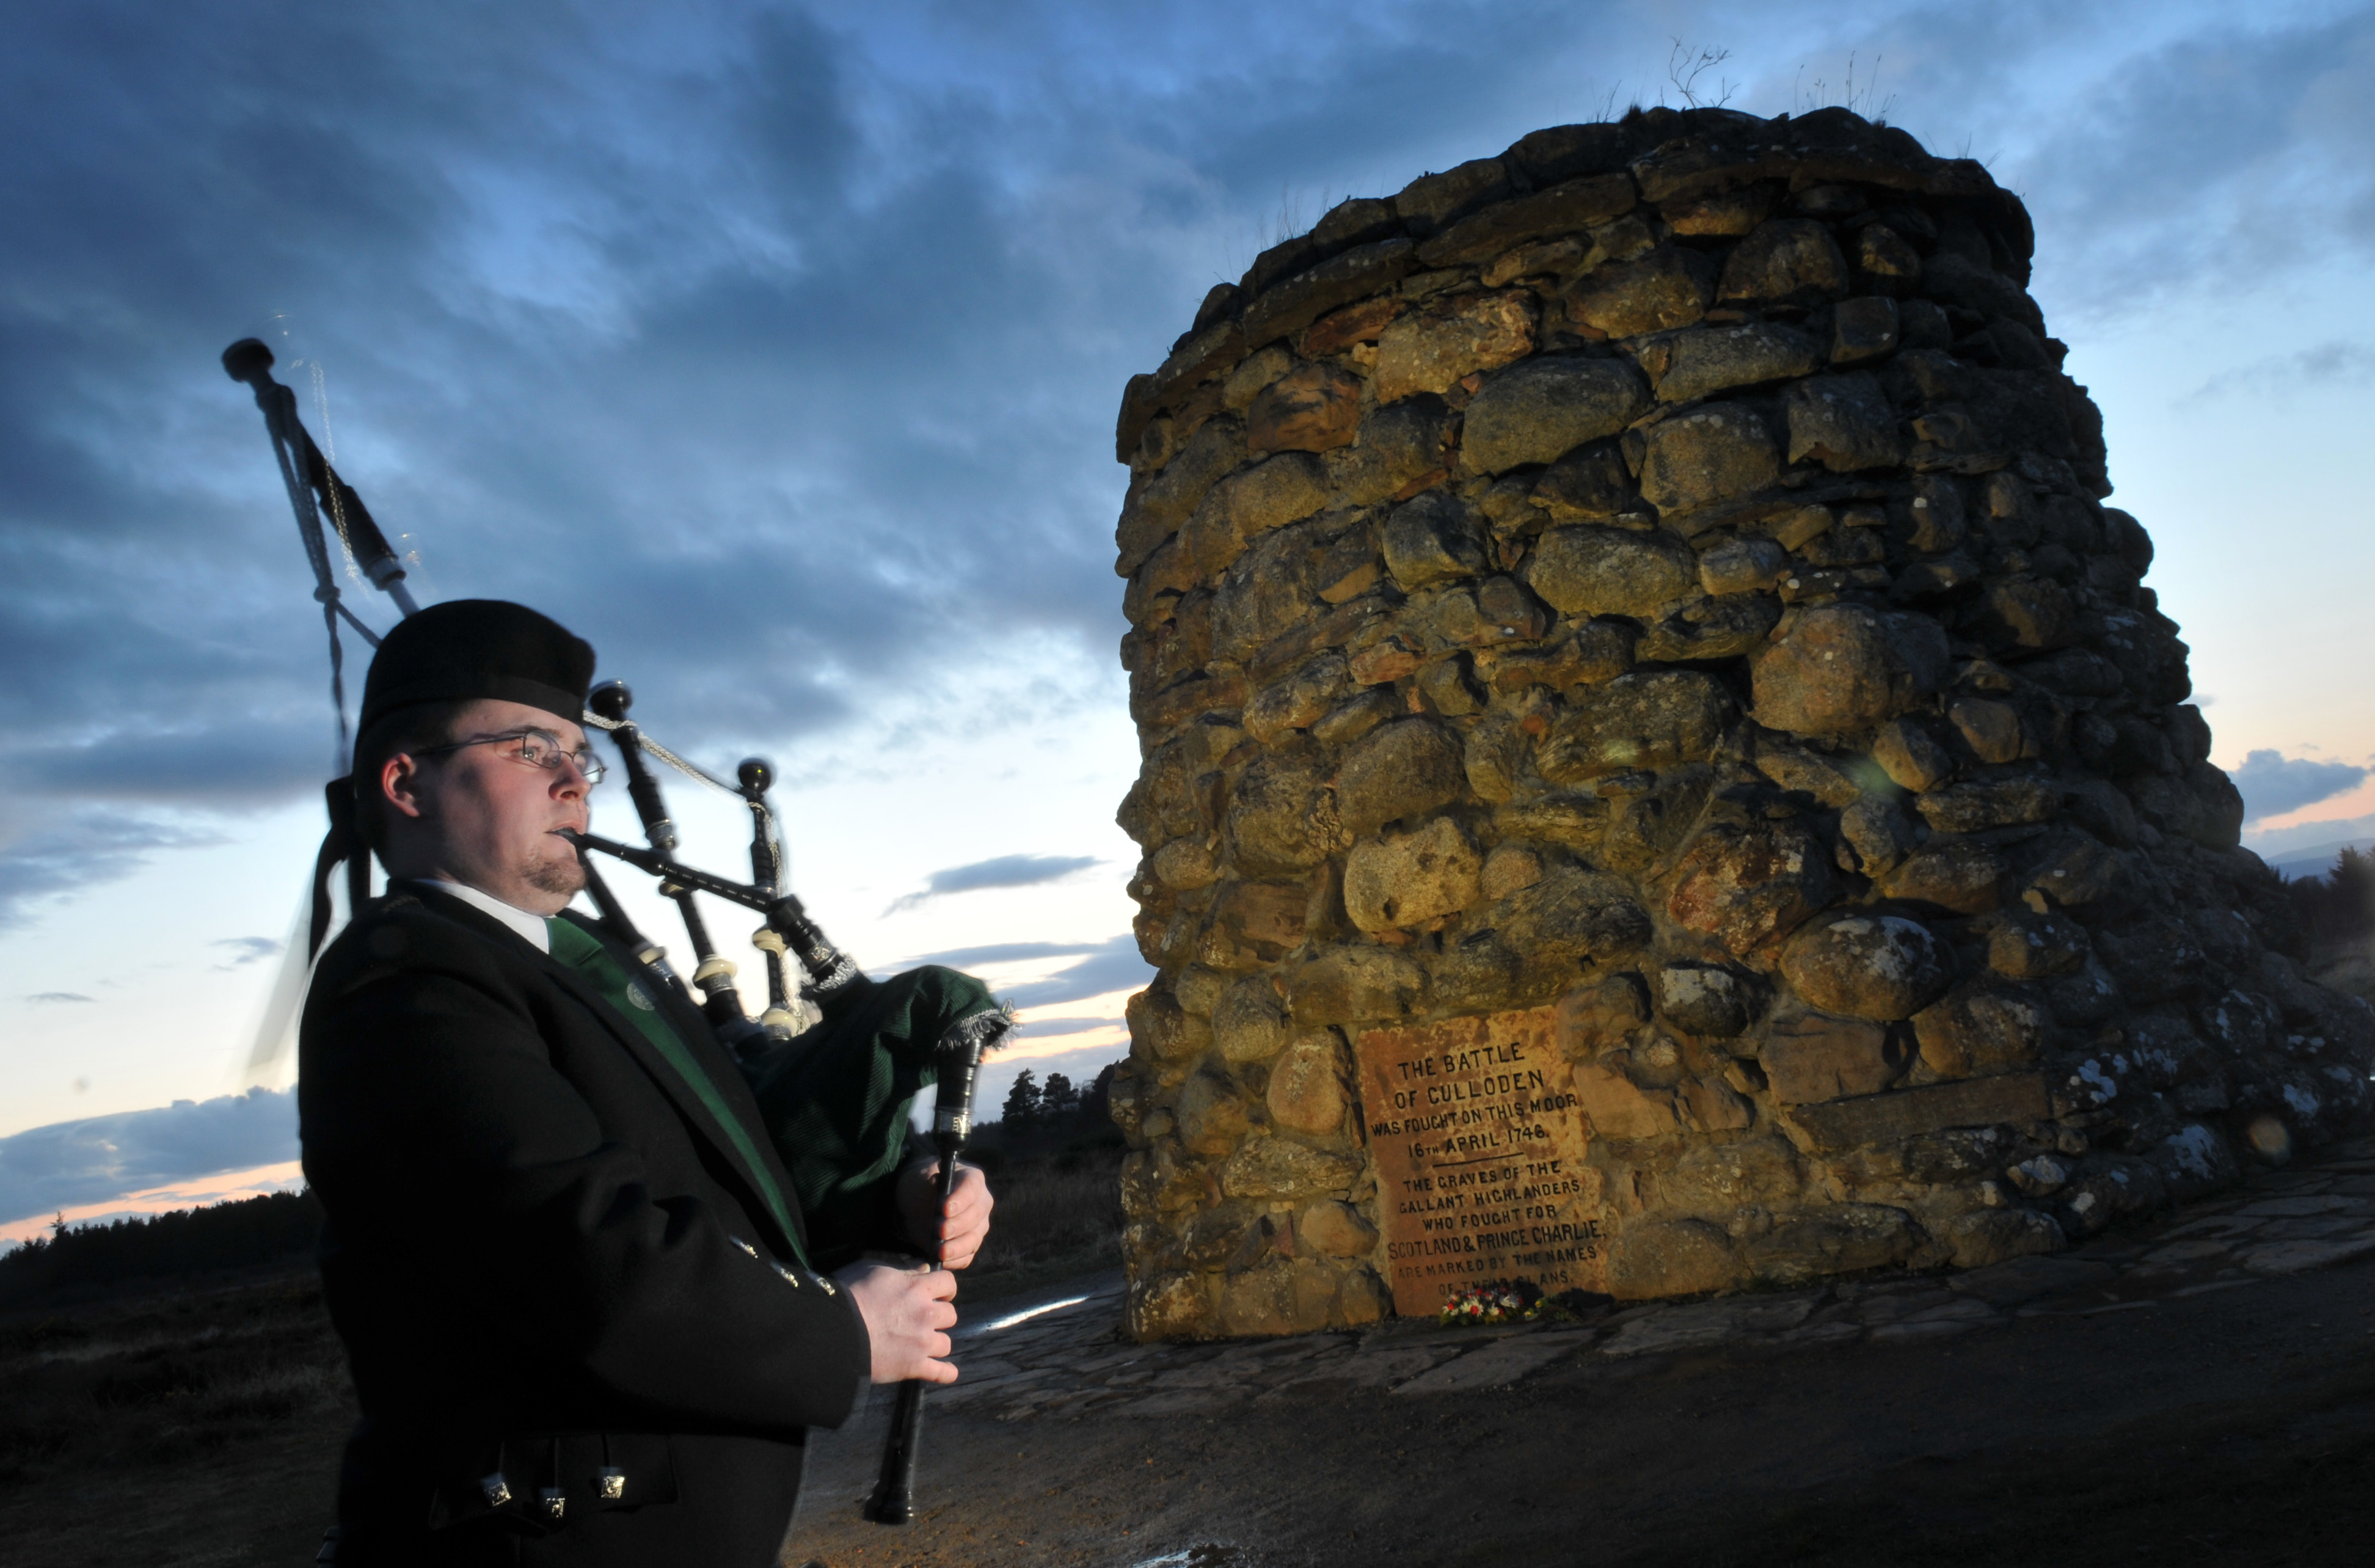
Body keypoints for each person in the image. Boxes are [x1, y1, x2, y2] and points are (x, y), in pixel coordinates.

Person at [299, 599, 991, 1566]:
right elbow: (580, 1253)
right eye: (531, 747)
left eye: (578, 755)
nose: (577, 778)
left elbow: (733, 1166)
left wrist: (898, 1198)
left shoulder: (579, 964)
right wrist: (840, 1334)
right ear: (405, 783)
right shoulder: (402, 977)